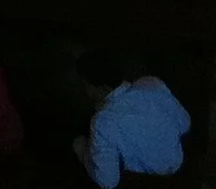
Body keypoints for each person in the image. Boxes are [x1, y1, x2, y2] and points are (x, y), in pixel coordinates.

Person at [75, 51, 192, 184]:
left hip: (146, 181)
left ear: (103, 88)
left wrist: (82, 148)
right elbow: (185, 123)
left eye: (84, 85)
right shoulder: (152, 84)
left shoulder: (103, 123)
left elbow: (108, 182)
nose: (81, 89)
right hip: (180, 162)